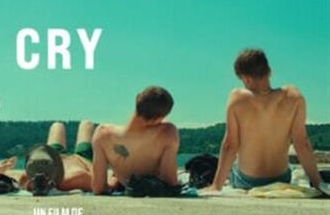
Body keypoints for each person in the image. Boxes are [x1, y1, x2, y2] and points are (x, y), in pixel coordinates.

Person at [205, 48, 322, 192]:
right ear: (269, 72)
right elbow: (302, 143)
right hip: (281, 178)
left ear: (246, 78)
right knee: (290, 168)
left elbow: (230, 145)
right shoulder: (294, 97)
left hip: (247, 180)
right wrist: (318, 183)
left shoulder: (237, 99)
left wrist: (216, 186)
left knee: (233, 169)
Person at [92, 87, 179, 195]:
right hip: (144, 185)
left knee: (86, 125)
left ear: (137, 99)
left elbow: (98, 188)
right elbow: (170, 182)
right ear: (158, 119)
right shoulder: (167, 132)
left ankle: (116, 179)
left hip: (124, 183)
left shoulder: (102, 134)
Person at [22, 120, 97, 195]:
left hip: (53, 157)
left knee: (57, 125)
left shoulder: (26, 177)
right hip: (78, 158)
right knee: (86, 124)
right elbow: (98, 182)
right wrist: (86, 162)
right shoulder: (76, 177)